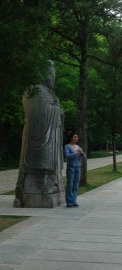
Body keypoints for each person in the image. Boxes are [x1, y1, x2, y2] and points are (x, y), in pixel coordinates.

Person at [15, 60, 64, 208]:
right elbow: (37, 113)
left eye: (54, 75)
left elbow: (52, 109)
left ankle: (54, 185)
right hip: (40, 137)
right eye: (50, 74)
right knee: (41, 160)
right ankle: (37, 190)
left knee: (53, 160)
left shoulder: (50, 93)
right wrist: (56, 110)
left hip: (53, 137)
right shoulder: (35, 90)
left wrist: (58, 111)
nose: (52, 78)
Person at [64, 133, 85, 207]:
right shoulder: (67, 146)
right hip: (71, 168)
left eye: (77, 137)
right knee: (70, 184)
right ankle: (69, 202)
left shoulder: (78, 146)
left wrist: (82, 152)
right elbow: (67, 156)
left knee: (76, 185)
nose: (76, 138)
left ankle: (74, 201)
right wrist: (76, 152)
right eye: (75, 137)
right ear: (71, 138)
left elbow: (83, 156)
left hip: (78, 167)